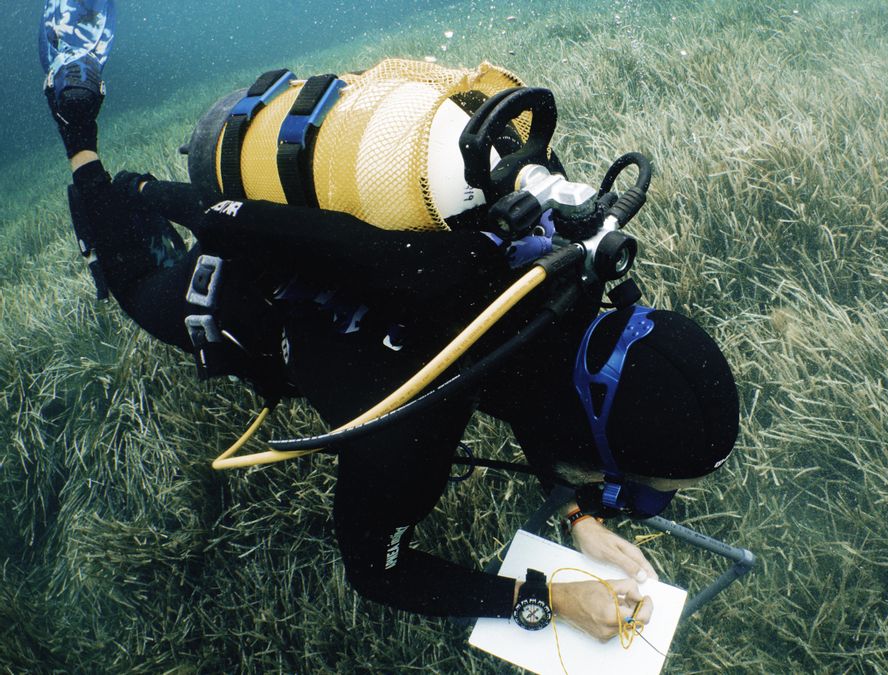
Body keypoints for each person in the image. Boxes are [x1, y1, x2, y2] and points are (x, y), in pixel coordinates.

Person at [41, 1, 740, 641]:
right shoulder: (410, 434)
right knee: (133, 283)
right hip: (245, 298)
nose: (635, 504)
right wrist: (545, 598)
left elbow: (546, 390)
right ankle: (79, 131)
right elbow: (379, 573)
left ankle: (131, 187)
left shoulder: (568, 275)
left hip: (332, 214)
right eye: (640, 493)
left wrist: (579, 515)